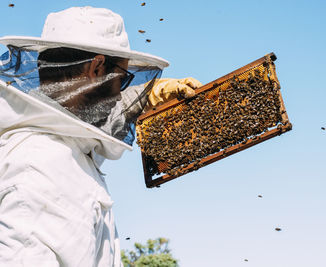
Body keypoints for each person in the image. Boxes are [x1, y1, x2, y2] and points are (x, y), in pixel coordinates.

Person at [0, 6, 201, 267]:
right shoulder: (41, 169)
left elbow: (87, 124)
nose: (121, 94)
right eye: (123, 79)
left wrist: (143, 99)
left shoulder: (61, 150)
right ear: (96, 67)